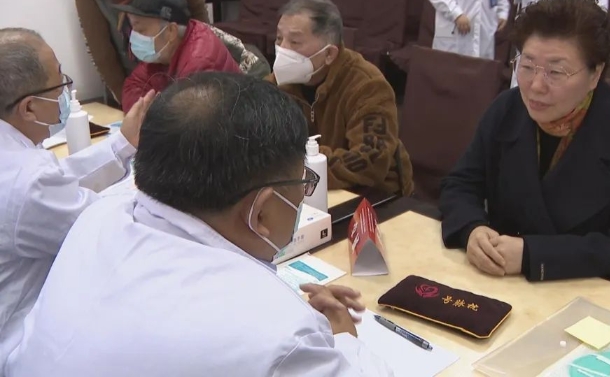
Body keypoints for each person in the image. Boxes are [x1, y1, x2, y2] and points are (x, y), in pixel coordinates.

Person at [6, 72, 393, 377]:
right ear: (261, 213)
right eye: (303, 183)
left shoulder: (100, 215)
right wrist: (344, 337)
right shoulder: (281, 335)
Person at [438, 0, 610, 282]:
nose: (536, 86)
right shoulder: (506, 110)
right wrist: (472, 229)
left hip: (585, 288)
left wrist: (533, 255)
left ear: (595, 74)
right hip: (502, 277)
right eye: (527, 66)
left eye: (556, 71)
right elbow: (461, 184)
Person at [0, 28, 153, 372]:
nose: (65, 90)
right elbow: (100, 225)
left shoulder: (17, 161)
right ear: (29, 107)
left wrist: (123, 145)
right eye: (59, 81)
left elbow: (59, 181)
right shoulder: (26, 180)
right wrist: (155, 187)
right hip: (17, 343)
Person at [267, 0, 413, 196]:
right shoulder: (280, 82)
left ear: (329, 54)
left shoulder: (368, 86)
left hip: (372, 195)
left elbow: (371, 163)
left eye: (295, 41)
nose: (282, 50)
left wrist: (297, 162)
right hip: (307, 186)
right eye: (279, 39)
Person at [74, 0, 209, 105]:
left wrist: (202, 53)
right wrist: (127, 101)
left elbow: (198, 12)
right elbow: (100, 50)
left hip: (184, 73)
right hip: (130, 81)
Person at [116, 0, 241, 113]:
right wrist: (151, 110)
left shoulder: (199, 61)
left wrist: (150, 110)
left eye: (141, 30)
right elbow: (132, 87)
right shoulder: (162, 51)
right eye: (133, 29)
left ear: (171, 31)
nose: (133, 36)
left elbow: (183, 118)